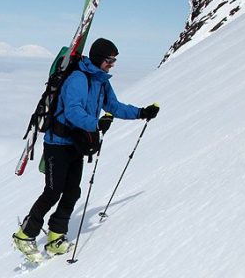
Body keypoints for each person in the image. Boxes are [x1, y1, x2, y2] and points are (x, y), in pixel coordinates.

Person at [13, 38, 160, 259]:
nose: (112, 64)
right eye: (109, 60)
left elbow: (113, 106)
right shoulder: (77, 79)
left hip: (76, 144)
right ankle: (24, 235)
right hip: (57, 144)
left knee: (72, 191)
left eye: (114, 61)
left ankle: (56, 237)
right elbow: (72, 111)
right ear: (100, 59)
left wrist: (141, 113)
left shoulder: (101, 81)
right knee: (53, 192)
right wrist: (96, 124)